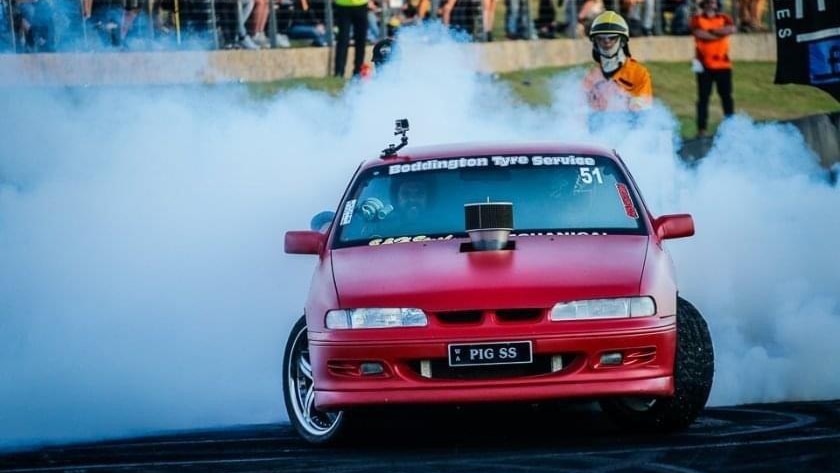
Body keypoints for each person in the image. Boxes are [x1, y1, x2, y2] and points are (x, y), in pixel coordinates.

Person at [582, 10, 653, 112]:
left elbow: (643, 115)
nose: (607, 42)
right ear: (595, 42)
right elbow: (581, 113)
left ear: (623, 41)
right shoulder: (590, 77)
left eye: (612, 38)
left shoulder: (639, 74)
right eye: (601, 38)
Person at [691, 0, 735, 138]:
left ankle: (731, 127)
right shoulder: (697, 19)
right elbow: (699, 33)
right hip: (704, 65)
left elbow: (731, 29)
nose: (712, 4)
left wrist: (711, 31)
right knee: (703, 98)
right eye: (709, 2)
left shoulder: (724, 17)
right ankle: (702, 129)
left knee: (726, 97)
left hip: (723, 64)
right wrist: (718, 34)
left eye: (714, 2)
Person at [333, 0, 368, 77]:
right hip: (344, 5)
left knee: (359, 41)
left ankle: (357, 72)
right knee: (344, 40)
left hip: (358, 4)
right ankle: (339, 72)